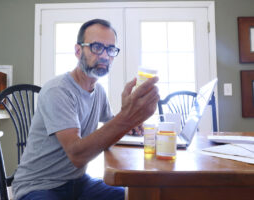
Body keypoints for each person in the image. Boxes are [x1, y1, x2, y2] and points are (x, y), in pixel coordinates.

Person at [12, 18, 159, 200]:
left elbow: (111, 127)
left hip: (79, 183)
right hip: (39, 186)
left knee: (135, 197)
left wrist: (132, 124)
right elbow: (77, 155)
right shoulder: (57, 90)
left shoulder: (99, 92)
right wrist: (126, 117)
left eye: (110, 49)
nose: (105, 56)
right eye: (97, 47)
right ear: (77, 50)